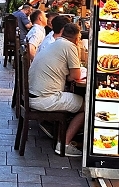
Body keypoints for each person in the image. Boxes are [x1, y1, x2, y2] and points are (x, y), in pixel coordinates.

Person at [29, 23, 86, 157]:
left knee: (75, 98)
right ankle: (64, 144)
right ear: (77, 38)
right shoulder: (70, 46)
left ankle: (60, 132)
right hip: (44, 99)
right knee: (87, 106)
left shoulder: (54, 43)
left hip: (34, 95)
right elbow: (76, 75)